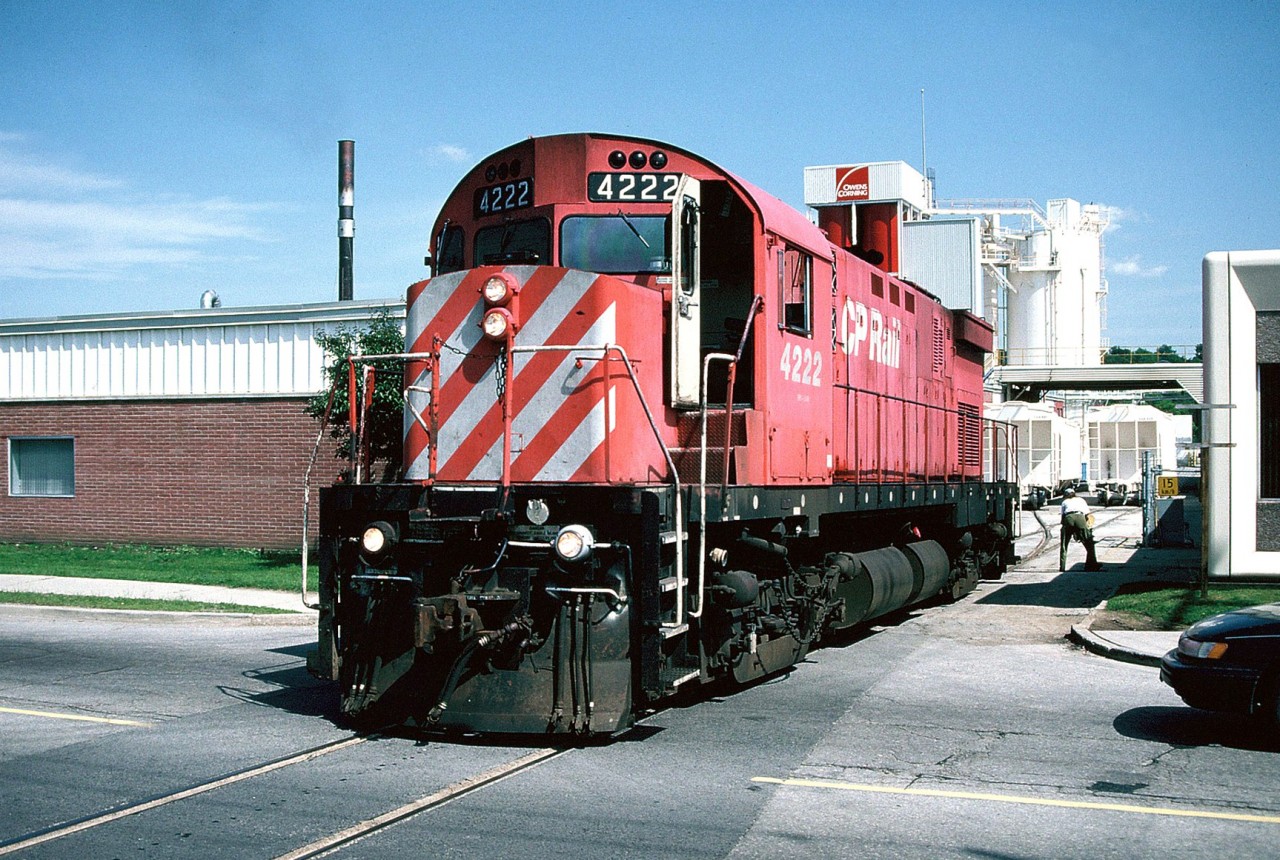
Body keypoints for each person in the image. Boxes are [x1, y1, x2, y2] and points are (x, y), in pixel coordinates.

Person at [1059, 487, 1100, 571]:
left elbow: (1063, 517)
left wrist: (1065, 529)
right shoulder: (1081, 500)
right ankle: (1091, 565)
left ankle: (1062, 567)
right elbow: (1087, 514)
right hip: (1080, 517)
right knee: (1089, 543)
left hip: (1068, 518)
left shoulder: (1065, 502)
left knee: (1064, 544)